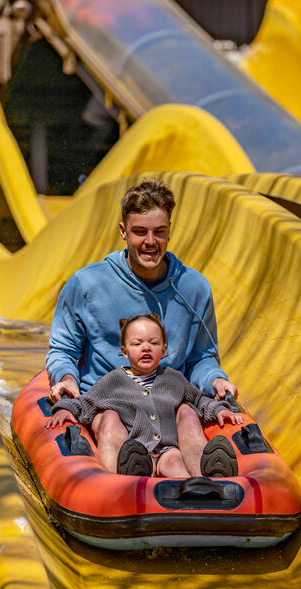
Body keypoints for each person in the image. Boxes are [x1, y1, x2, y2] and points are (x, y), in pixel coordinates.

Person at [45, 179, 238, 476]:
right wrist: (67, 377)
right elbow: (63, 349)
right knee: (110, 422)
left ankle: (207, 485)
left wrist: (216, 380)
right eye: (140, 232)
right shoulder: (87, 284)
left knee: (187, 414)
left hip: (167, 402)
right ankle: (121, 488)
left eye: (159, 232)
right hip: (110, 403)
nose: (150, 242)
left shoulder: (194, 288)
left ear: (169, 230)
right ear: (123, 232)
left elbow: (202, 358)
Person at [45, 314, 244, 477]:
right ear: (125, 351)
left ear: (164, 350)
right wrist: (63, 408)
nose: (146, 348)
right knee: (133, 462)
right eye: (137, 343)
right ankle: (118, 484)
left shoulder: (173, 379)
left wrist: (219, 410)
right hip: (135, 453)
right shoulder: (113, 381)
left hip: (167, 450)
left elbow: (198, 400)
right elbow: (86, 403)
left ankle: (205, 483)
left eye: (153, 343)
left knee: (176, 465)